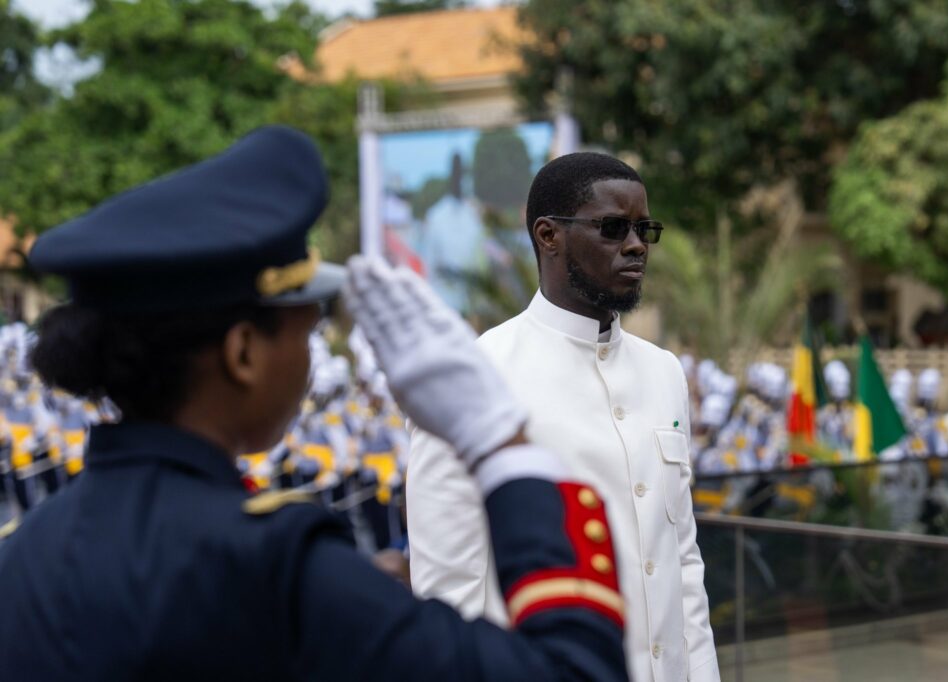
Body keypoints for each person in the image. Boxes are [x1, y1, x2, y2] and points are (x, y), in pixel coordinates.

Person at [0, 127, 630, 681]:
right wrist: (500, 446)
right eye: (304, 332)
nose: (309, 356)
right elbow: (576, 669)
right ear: (244, 353)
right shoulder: (275, 571)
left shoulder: (24, 554)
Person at [406, 152, 720, 682]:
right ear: (548, 236)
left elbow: (681, 559)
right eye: (613, 228)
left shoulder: (663, 372)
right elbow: (449, 594)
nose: (636, 245)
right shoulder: (477, 378)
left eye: (645, 230)